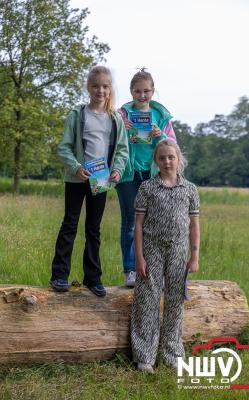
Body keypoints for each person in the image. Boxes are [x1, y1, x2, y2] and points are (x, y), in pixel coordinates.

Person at [50, 66, 129, 297]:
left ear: (110, 89)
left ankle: (93, 279)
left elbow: (122, 150)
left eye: (105, 86)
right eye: (96, 86)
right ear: (88, 87)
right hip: (77, 178)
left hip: (101, 179)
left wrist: (117, 169)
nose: (100, 90)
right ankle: (59, 275)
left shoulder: (115, 119)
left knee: (93, 229)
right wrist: (76, 167)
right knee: (70, 224)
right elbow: (64, 148)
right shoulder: (77, 115)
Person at [131, 139, 200, 373]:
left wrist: (194, 256)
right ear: (156, 161)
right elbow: (138, 225)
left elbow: (194, 225)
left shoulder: (189, 189)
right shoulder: (147, 188)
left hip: (179, 250)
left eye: (171, 157)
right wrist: (139, 257)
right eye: (162, 158)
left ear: (178, 158)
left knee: (174, 300)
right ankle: (144, 356)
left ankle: (172, 353)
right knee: (147, 299)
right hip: (152, 248)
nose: (167, 161)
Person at [116, 68, 176, 287]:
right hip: (128, 175)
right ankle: (130, 270)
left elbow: (173, 147)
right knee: (131, 222)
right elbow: (109, 139)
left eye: (147, 91)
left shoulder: (161, 116)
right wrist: (121, 129)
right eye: (138, 91)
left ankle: (152, 270)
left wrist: (159, 134)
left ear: (153, 91)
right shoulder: (121, 114)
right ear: (131, 92)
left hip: (152, 175)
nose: (142, 95)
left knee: (153, 223)